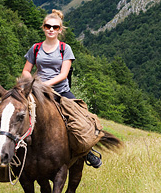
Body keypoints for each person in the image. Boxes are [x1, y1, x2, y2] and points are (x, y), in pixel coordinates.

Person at [21, 9, 102, 168]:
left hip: (60, 92)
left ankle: (88, 151)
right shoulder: (35, 48)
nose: (51, 29)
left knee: (81, 118)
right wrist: (31, 83)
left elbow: (63, 74)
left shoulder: (65, 49)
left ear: (60, 30)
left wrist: (44, 85)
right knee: (15, 113)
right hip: (37, 91)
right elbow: (26, 70)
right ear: (43, 27)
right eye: (48, 26)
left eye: (55, 27)